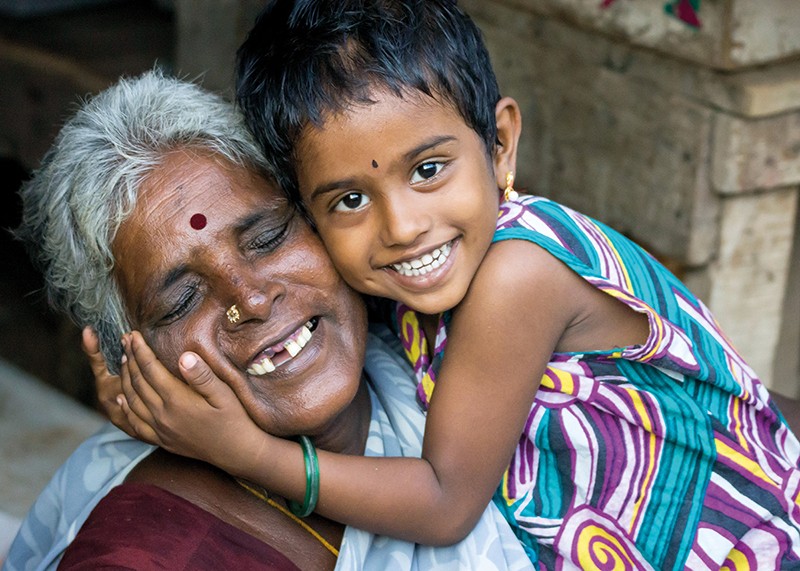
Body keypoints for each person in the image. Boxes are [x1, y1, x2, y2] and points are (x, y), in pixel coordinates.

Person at [107, 0, 800, 569]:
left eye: (429, 169)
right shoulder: (424, 273)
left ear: (499, 144)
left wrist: (248, 453)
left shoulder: (516, 276)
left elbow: (443, 501)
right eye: (349, 200)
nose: (403, 226)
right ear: (310, 215)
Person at [3, 69, 532, 571]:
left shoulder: (443, 328)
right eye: (183, 300)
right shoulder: (155, 553)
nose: (250, 301)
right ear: (127, 359)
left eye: (267, 239)